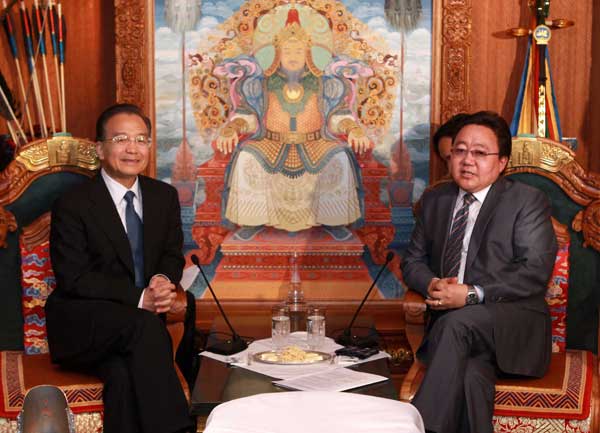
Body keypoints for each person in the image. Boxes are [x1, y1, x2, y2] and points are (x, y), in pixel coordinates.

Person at [402, 111, 557, 433]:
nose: (467, 161)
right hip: (456, 337)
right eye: (459, 151)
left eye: (479, 153)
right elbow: (412, 261)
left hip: (512, 324)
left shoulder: (527, 201)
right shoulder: (436, 199)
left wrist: (472, 294)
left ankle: (414, 428)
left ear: (501, 162)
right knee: (471, 376)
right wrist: (432, 284)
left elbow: (534, 271)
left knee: (458, 323)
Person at [45, 104, 193, 433]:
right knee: (143, 326)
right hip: (84, 323)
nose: (132, 148)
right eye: (121, 139)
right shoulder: (74, 203)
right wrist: (142, 299)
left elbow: (171, 254)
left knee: (122, 375)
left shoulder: (163, 197)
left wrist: (161, 279)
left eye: (141, 139)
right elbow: (74, 278)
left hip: (136, 335)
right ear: (100, 148)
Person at [215, 4, 370, 241]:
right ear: (278, 54)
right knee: (246, 156)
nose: (293, 56)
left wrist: (353, 128)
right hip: (271, 144)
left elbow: (338, 116)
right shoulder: (261, 84)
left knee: (339, 156)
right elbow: (247, 115)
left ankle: (334, 220)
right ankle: (251, 220)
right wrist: (232, 128)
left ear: (308, 53)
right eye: (288, 51)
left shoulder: (325, 83)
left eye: (299, 51)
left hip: (315, 144)